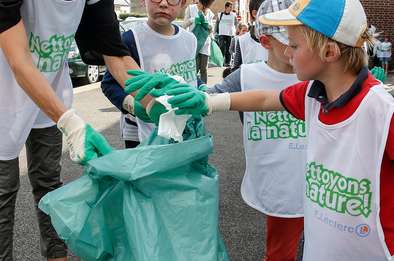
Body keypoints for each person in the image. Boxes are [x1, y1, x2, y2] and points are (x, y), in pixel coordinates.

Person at [153, 0, 394, 260]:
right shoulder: (312, 94)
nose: (289, 54)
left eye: (294, 46)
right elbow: (267, 99)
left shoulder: (382, 112)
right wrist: (208, 101)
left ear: (329, 52)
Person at [0, 0, 176, 260]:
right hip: (5, 92)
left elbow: (115, 54)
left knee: (50, 185)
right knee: (4, 190)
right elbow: (19, 60)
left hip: (49, 92)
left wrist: (158, 101)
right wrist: (69, 122)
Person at [207, 1, 306, 259]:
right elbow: (205, 99)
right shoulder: (245, 76)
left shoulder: (316, 74)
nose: (299, 44)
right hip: (279, 184)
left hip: (320, 179)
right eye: (290, 40)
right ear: (265, 42)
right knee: (280, 253)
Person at [102, 0, 198, 145]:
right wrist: (132, 105)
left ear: (183, 2)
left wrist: (202, 89)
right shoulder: (130, 39)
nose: (164, 4)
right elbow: (109, 84)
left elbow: (189, 75)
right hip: (140, 133)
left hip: (182, 127)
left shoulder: (190, 40)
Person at [183, 0, 215, 84]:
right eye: (203, 4)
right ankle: (193, 86)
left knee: (204, 69)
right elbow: (184, 25)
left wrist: (208, 25)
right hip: (194, 43)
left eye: (206, 6)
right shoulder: (190, 8)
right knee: (195, 68)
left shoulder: (210, 13)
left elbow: (211, 30)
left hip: (205, 43)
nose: (204, 7)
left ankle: (204, 89)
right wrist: (193, 20)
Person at [232, 0, 268, 71]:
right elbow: (235, 70)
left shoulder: (278, 39)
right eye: (268, 11)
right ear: (254, 13)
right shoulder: (242, 40)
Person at [216, 1, 237, 66]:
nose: (231, 8)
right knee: (221, 47)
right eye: (230, 7)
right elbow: (217, 24)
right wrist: (215, 32)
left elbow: (236, 23)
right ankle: (221, 61)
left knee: (229, 49)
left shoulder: (233, 15)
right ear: (226, 7)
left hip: (230, 34)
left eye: (232, 7)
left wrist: (235, 31)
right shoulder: (220, 14)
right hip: (222, 33)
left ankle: (227, 62)